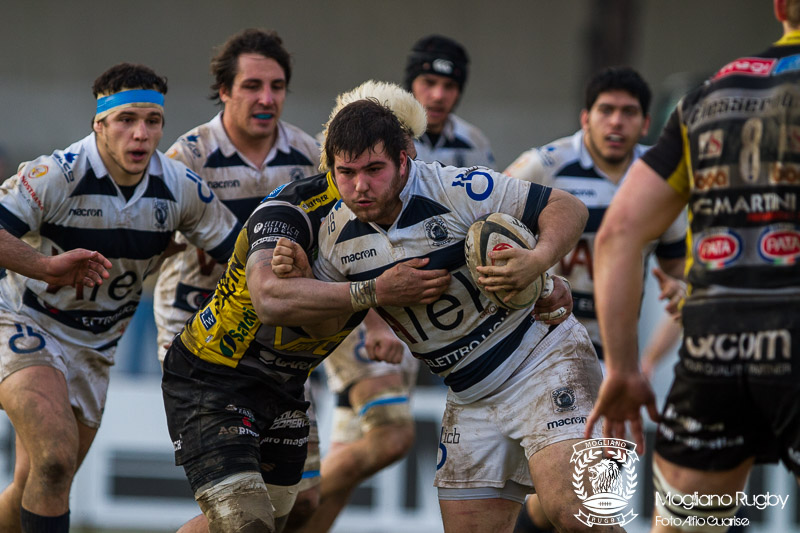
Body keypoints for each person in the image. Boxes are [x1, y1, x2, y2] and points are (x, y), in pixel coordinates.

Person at [272, 97, 617, 533]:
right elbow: (323, 328)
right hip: (469, 395)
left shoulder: (457, 188)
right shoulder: (334, 237)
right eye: (346, 173)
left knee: (574, 516)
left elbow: (568, 207)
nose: (360, 186)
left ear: (403, 160)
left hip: (543, 362)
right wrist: (321, 284)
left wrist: (539, 260)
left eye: (373, 170)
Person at [160, 85, 446, 532]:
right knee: (248, 523)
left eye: (407, 142)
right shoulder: (293, 207)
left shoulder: (408, 209)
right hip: (216, 373)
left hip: (287, 383)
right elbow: (271, 298)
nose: (408, 151)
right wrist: (375, 295)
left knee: (286, 516)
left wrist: (546, 284)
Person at [586, 1, 800, 531]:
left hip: (714, 348)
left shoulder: (708, 96)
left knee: (685, 524)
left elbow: (617, 234)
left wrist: (622, 369)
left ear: (778, 8)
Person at [0, 63, 239, 533]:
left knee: (43, 478)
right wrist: (46, 266)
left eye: (152, 122)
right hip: (26, 322)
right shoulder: (58, 174)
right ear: (99, 124)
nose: (141, 134)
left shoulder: (179, 187)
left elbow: (239, 252)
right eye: (127, 120)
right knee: (53, 458)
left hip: (96, 348)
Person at [151, 28, 322, 532]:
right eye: (251, 86)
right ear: (224, 90)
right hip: (202, 341)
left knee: (301, 502)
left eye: (277, 86)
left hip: (276, 344)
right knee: (241, 508)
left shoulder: (309, 156)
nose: (266, 98)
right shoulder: (188, 157)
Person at [505, 67, 686, 532]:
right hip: (540, 348)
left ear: (646, 123)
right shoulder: (544, 165)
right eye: (606, 110)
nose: (616, 122)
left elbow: (681, 272)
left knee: (567, 501)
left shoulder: (660, 179)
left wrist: (681, 291)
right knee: (584, 502)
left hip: (611, 355)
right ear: (586, 117)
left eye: (629, 113)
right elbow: (484, 232)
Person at [404, 34, 494, 168]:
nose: (438, 96)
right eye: (429, 82)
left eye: (449, 86)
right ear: (411, 86)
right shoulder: (385, 137)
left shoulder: (474, 142)